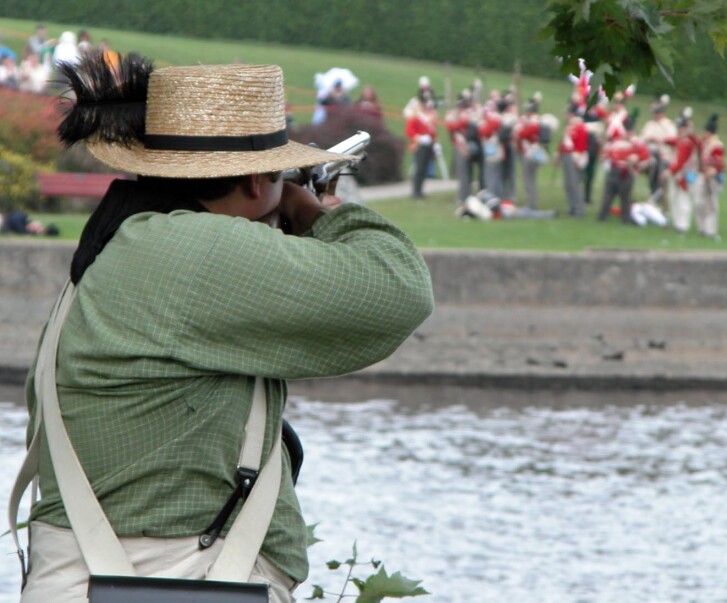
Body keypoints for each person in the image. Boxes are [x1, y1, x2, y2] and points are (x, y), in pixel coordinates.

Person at [15, 55, 434, 602]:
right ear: (260, 179)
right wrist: (315, 214)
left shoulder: (134, 240)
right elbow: (400, 286)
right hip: (179, 581)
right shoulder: (192, 251)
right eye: (280, 177)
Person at [598, 111, 650, 223]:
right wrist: (605, 157)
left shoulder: (637, 143)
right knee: (608, 195)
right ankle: (602, 216)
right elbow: (608, 153)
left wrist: (636, 158)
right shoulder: (617, 141)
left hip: (626, 172)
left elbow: (645, 155)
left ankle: (625, 218)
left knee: (625, 198)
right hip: (614, 170)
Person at [665, 107, 700, 233]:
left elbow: (680, 162)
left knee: (683, 199)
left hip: (683, 174)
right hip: (678, 173)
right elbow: (672, 141)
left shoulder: (686, 142)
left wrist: (669, 171)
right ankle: (677, 221)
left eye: (681, 128)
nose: (679, 130)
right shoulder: (681, 140)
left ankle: (683, 224)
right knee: (674, 198)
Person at [639, 94, 677, 207]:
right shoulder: (649, 124)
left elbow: (672, 139)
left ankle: (657, 196)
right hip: (650, 155)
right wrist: (649, 139)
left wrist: (660, 140)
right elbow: (642, 139)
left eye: (657, 112)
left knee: (659, 174)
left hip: (664, 156)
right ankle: (654, 193)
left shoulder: (668, 124)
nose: (654, 115)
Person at [694, 113, 725, 239]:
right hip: (702, 175)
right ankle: (701, 227)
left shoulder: (717, 145)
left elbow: (719, 164)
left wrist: (710, 172)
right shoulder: (705, 143)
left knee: (711, 205)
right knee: (699, 203)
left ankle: (710, 229)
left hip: (711, 177)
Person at [405, 89, 437, 199]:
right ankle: (415, 191)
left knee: (424, 169)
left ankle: (420, 191)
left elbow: (432, 129)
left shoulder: (429, 115)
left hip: (428, 144)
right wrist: (419, 137)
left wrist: (433, 139)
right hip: (419, 144)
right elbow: (409, 129)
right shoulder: (416, 115)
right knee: (418, 169)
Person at [556, 112, 589, 217]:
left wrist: (577, 159)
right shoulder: (569, 128)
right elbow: (563, 143)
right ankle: (571, 206)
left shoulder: (581, 128)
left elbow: (581, 146)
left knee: (574, 184)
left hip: (574, 157)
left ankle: (579, 208)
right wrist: (559, 154)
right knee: (568, 184)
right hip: (566, 155)